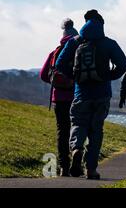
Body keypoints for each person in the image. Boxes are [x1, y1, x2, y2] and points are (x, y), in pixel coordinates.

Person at [56, 10, 126, 180]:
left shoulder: (75, 42)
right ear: (101, 24)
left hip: (81, 93)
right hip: (102, 94)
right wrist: (109, 76)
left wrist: (75, 77)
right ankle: (91, 169)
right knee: (96, 130)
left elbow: (60, 63)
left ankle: (76, 149)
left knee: (78, 124)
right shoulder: (108, 43)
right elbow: (123, 64)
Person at [39, 18, 78, 177]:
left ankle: (64, 167)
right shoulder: (79, 50)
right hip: (77, 96)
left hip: (59, 98)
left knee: (62, 132)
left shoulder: (55, 51)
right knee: (78, 129)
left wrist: (56, 83)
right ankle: (78, 156)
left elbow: (43, 75)